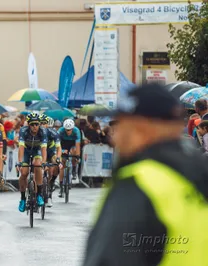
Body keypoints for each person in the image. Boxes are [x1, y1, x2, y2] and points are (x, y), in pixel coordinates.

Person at [83, 83, 208, 266]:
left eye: (122, 126)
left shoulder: (139, 183)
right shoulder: (199, 170)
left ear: (142, 127)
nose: (115, 138)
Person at [17, 113, 48, 212]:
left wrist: (43, 162)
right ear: (28, 124)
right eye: (32, 124)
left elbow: (43, 148)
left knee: (38, 165)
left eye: (37, 124)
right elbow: (21, 147)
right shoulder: (23, 131)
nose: (35, 127)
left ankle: (39, 194)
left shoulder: (43, 131)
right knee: (24, 173)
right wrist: (20, 162)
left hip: (37, 150)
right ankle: (22, 198)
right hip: (26, 150)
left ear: (39, 124)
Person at [39, 115, 62, 208]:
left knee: (54, 166)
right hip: (40, 152)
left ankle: (50, 188)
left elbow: (58, 147)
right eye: (41, 124)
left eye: (45, 124)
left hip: (51, 152)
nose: (44, 126)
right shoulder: (36, 133)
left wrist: (58, 158)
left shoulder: (53, 132)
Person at [57, 119, 81, 197]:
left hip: (72, 144)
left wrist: (77, 156)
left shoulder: (76, 131)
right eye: (67, 130)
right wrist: (61, 152)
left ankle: (74, 170)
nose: (68, 132)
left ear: (72, 128)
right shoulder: (60, 131)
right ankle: (61, 187)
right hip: (63, 144)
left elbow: (78, 145)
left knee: (74, 152)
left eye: (70, 130)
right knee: (62, 165)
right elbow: (58, 144)